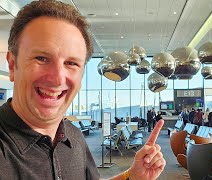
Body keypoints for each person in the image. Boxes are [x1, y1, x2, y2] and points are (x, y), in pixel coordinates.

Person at [0, 1, 166, 179]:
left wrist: (132, 176)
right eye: (41, 58)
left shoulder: (73, 136)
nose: (57, 78)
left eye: (71, 63)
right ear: (12, 65)